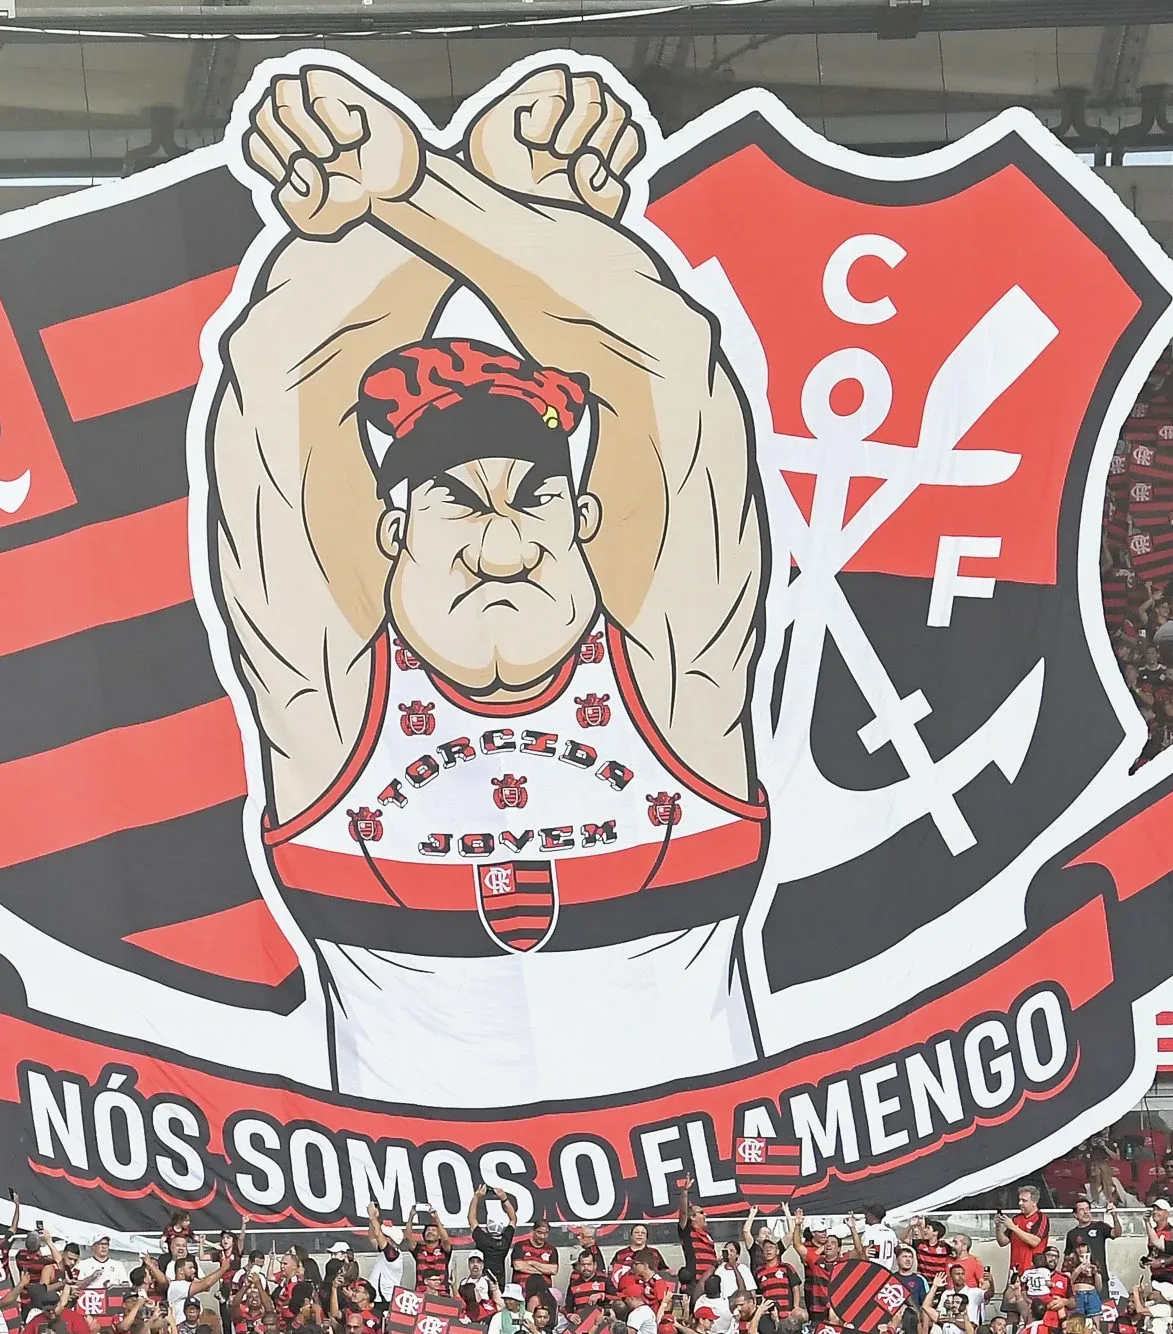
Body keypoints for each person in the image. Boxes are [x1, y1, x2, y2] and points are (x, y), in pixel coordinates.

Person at [215, 64, 766, 1106]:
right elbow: (280, 382)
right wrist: (499, 199)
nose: (503, 545)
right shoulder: (328, 706)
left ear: (587, 519)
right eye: (459, 505)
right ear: (390, 530)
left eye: (533, 500)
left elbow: (665, 363)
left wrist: (409, 190)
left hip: (697, 1244)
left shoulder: (677, 685)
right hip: (420, 1258)